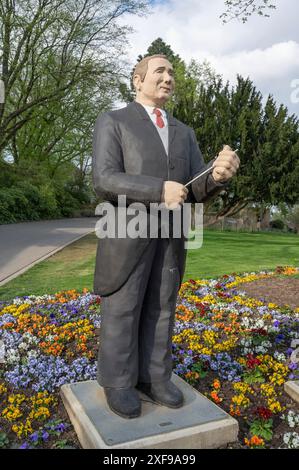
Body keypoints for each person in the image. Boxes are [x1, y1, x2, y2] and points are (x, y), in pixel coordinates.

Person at [92, 54, 240, 419]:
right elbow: (105, 179)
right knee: (124, 307)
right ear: (137, 80)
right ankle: (119, 383)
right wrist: (159, 190)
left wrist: (217, 176)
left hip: (172, 234)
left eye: (172, 72)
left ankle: (155, 377)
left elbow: (195, 186)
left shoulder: (184, 132)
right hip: (126, 233)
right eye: (160, 70)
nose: (168, 77)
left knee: (162, 307)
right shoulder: (114, 121)